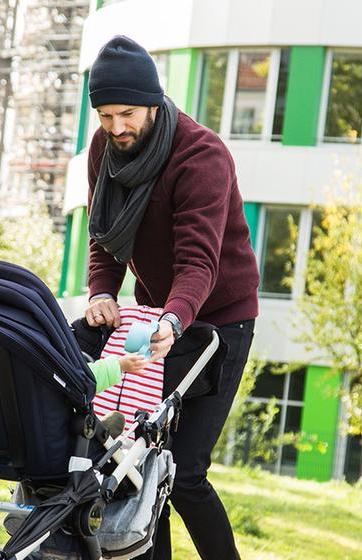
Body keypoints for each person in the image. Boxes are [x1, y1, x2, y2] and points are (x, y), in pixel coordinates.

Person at [81, 35, 260, 560]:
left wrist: (176, 320)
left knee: (183, 470)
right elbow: (104, 234)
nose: (118, 128)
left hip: (221, 318)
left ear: (155, 104)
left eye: (128, 114)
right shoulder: (104, 150)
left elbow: (198, 262)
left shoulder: (201, 156)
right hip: (155, 310)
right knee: (136, 461)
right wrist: (101, 293)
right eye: (107, 115)